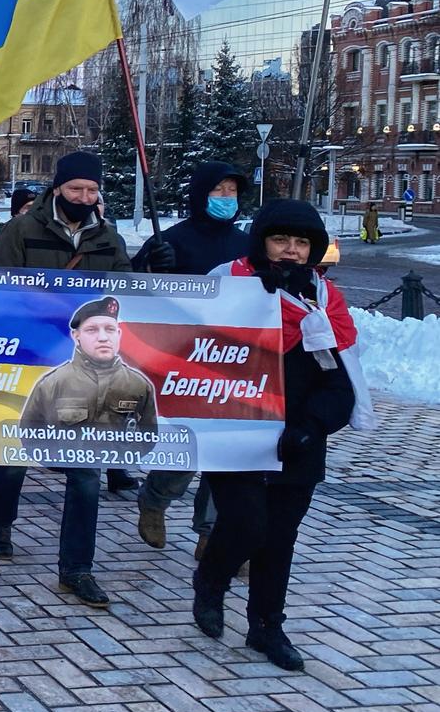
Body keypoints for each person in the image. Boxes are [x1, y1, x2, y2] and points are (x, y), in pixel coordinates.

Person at [194, 200, 356, 671]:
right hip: (236, 431)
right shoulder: (228, 288)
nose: (290, 251)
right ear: (262, 242)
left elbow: (339, 382)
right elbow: (175, 326)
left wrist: (311, 427)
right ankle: (211, 579)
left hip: (298, 439)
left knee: (279, 536)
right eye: (280, 240)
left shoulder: (323, 303)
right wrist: (155, 267)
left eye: (301, 242)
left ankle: (267, 626)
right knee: (246, 524)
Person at [0, 151, 132, 609]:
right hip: (29, 360)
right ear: (58, 189)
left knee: (85, 472)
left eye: (92, 191)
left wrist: (147, 270)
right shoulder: (22, 230)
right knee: (14, 452)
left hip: (84, 368)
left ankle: (76, 569)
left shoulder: (108, 237)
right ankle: (0, 522)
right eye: (75, 190)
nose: (84, 199)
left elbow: (126, 294)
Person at [130, 162, 249, 552]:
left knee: (227, 453)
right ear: (200, 195)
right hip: (184, 361)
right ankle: (155, 500)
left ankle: (211, 534)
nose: (226, 199)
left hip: (235, 360)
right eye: (218, 191)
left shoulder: (246, 244)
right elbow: (133, 292)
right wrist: (150, 266)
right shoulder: (172, 239)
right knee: (190, 444)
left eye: (232, 191)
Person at [21, 297, 158, 434]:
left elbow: (148, 437)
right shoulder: (52, 384)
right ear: (76, 336)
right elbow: (30, 435)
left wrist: (122, 454)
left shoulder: (139, 386)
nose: (103, 338)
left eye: (109, 329)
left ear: (118, 334)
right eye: (92, 330)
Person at [0, 188, 35, 256]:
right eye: (28, 207)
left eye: (35, 207)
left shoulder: (41, 234)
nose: (33, 211)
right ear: (16, 212)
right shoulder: (1, 235)